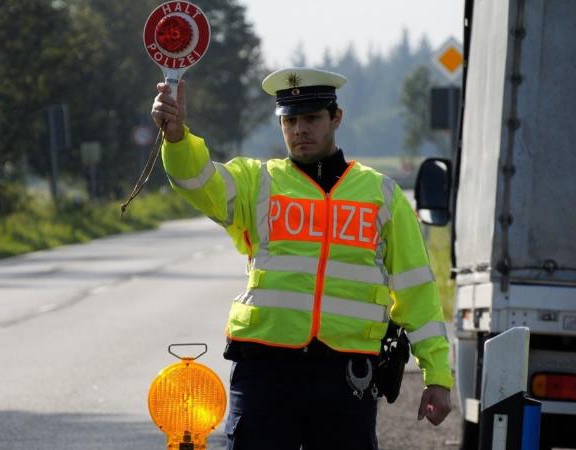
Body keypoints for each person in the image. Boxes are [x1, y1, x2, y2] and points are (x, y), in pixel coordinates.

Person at [151, 67, 452, 450]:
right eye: (289, 120)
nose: (299, 130)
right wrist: (177, 138)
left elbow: (417, 293)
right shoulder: (257, 182)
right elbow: (197, 181)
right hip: (265, 371)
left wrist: (437, 374)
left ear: (336, 118)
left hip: (346, 378)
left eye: (311, 118)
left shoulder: (382, 195)